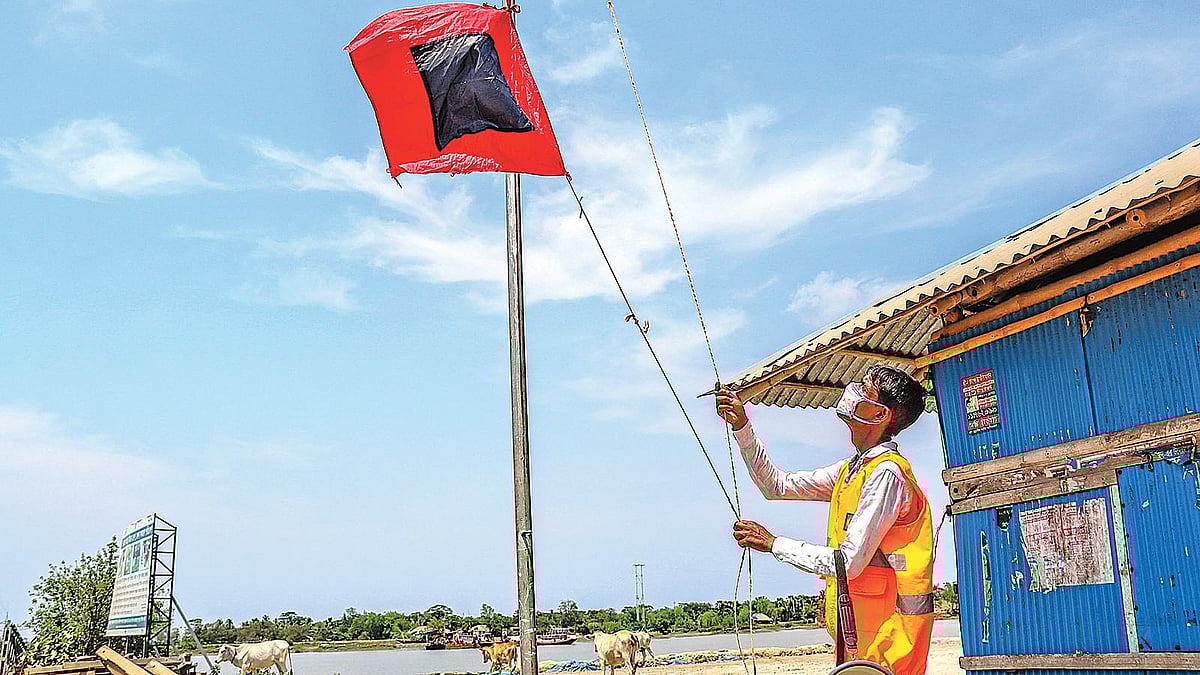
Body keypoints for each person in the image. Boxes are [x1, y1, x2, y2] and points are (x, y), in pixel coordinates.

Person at [716, 364, 934, 675]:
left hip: (889, 646)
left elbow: (849, 562)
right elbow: (777, 486)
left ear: (879, 415)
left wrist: (774, 544)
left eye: (864, 390)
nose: (853, 392)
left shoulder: (886, 474)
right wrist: (742, 427)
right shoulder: (852, 470)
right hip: (861, 641)